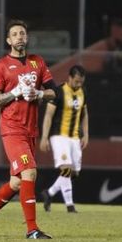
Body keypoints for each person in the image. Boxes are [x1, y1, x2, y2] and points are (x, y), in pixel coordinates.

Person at [0, 19, 57, 239]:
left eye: (23, 33)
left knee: (17, 182)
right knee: (30, 171)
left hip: (31, 129)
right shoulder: (0, 66)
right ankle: (32, 230)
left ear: (26, 37)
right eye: (15, 34)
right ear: (8, 40)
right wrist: (15, 92)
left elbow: (54, 92)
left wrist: (39, 94)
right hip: (12, 128)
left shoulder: (37, 62)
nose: (20, 36)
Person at [39, 65, 89, 214]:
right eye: (77, 81)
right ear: (70, 77)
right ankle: (70, 206)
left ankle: (49, 193)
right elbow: (48, 115)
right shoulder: (59, 92)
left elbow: (85, 114)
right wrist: (44, 137)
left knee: (74, 172)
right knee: (66, 168)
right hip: (58, 135)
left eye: (81, 82)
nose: (79, 84)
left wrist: (85, 134)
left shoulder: (83, 92)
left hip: (74, 137)